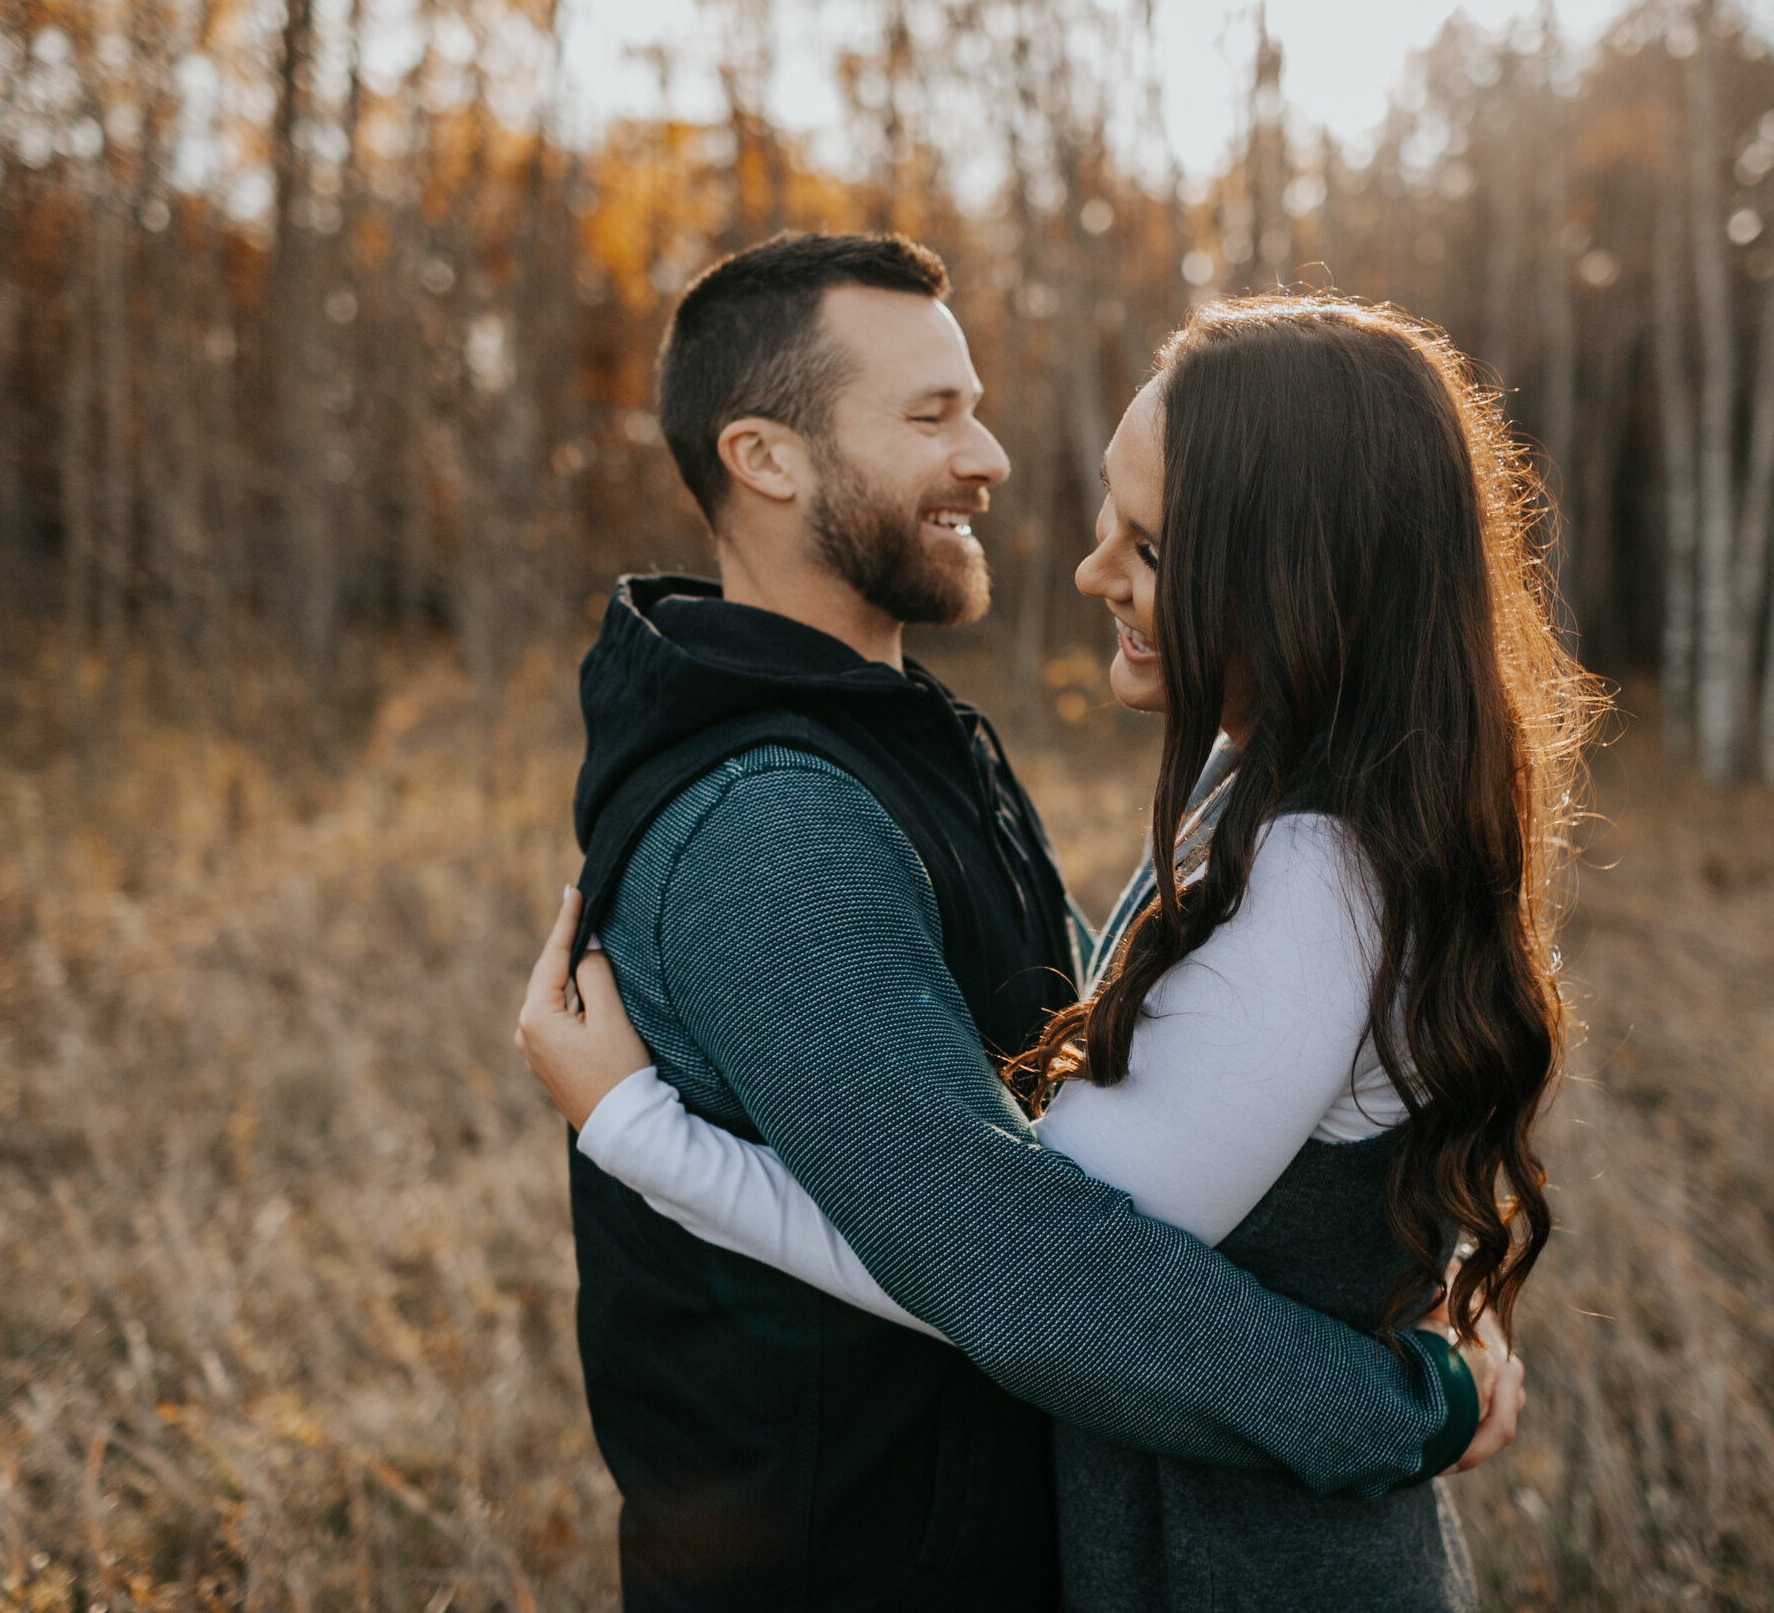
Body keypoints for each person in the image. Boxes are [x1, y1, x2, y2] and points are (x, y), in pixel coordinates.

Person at [523, 238, 1512, 1613]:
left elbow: (1183, 1116)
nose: (988, 456)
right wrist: (1399, 1405)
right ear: (767, 459)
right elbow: (1015, 1262)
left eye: (972, 403)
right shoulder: (774, 821)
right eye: (930, 416)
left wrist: (1416, 1289)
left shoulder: (932, 746)